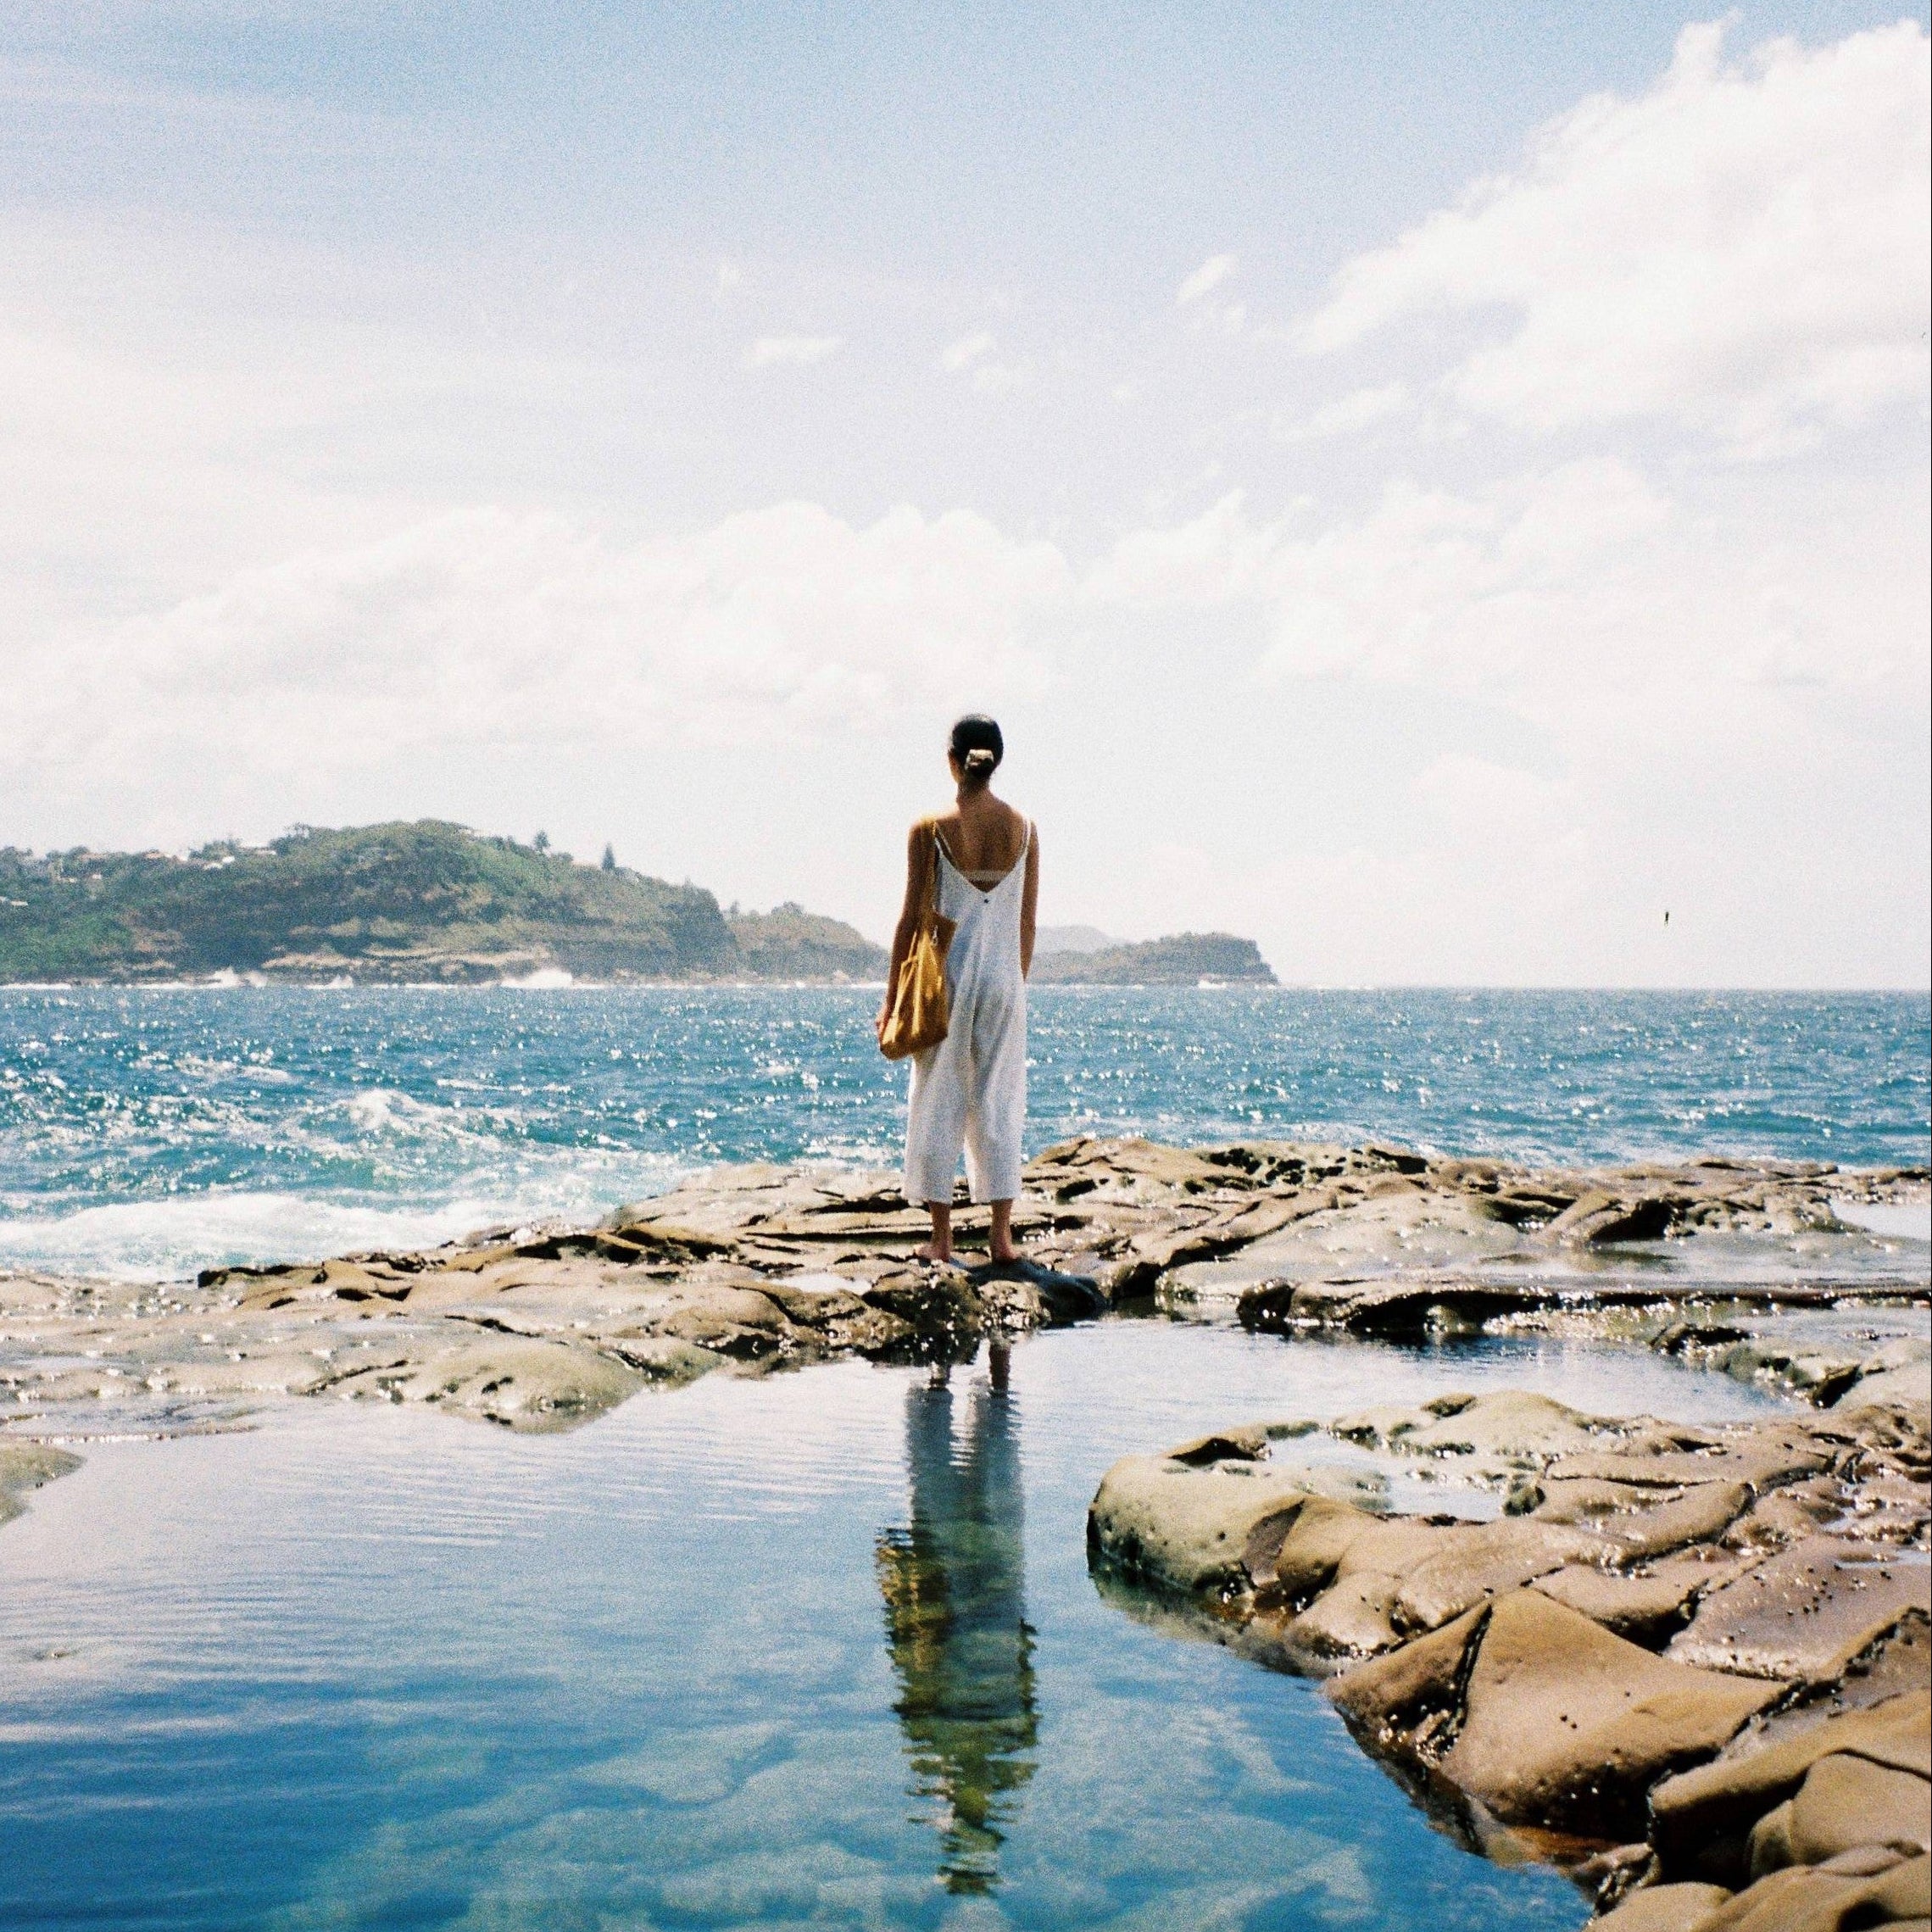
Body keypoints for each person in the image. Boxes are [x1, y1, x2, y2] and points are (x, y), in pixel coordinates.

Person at [879, 715, 1038, 1265]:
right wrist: (1013, 983)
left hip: (946, 981)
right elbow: (1025, 923)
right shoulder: (1024, 829)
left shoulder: (929, 827)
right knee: (998, 1100)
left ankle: (942, 1240)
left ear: (952, 759)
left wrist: (891, 1000)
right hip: (1004, 980)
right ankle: (999, 1239)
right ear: (996, 759)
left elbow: (910, 920)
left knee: (938, 1099)